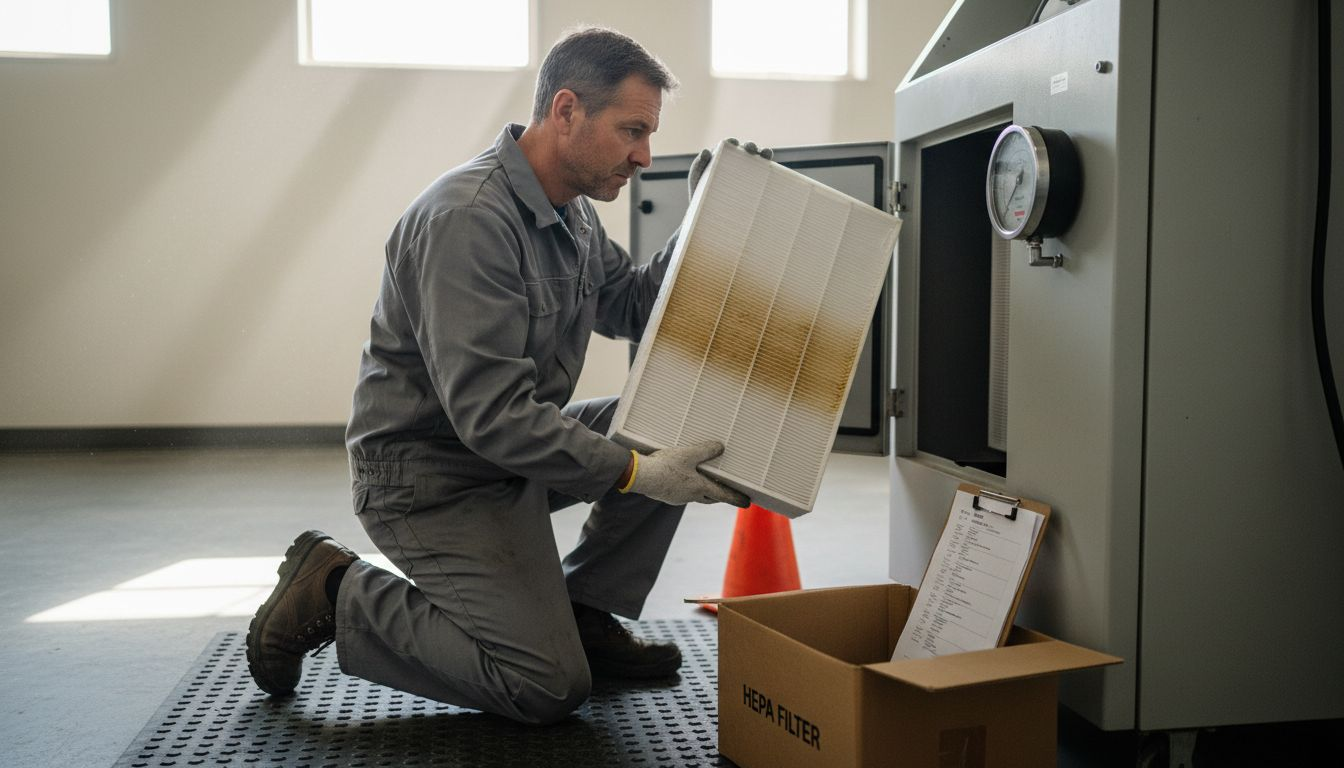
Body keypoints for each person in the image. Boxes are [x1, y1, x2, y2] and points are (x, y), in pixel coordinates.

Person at [245, 26, 771, 726]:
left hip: (504, 458)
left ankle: (585, 612)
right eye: (632, 130)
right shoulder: (468, 220)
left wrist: (705, 220)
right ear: (565, 111)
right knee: (546, 685)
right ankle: (336, 590)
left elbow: (635, 305)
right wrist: (638, 474)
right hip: (429, 480)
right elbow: (492, 416)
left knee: (672, 426)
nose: (645, 156)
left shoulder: (572, 216)